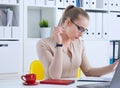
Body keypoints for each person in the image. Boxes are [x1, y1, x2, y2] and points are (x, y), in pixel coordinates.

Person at [36, 5, 118, 79]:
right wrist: (59, 44)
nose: (81, 34)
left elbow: (88, 71)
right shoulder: (43, 44)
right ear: (68, 22)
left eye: (84, 30)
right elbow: (54, 76)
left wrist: (113, 67)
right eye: (80, 29)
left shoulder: (78, 43)